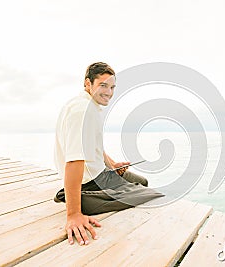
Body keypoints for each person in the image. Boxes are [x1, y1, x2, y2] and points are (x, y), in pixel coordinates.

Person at [53, 62, 163, 246]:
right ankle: (78, 197)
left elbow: (93, 146)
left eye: (112, 87)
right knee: (151, 194)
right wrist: (74, 214)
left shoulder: (88, 105)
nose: (109, 92)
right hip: (90, 181)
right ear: (87, 84)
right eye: (103, 85)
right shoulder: (82, 111)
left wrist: (112, 165)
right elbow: (74, 160)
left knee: (141, 182)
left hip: (101, 173)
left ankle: (86, 193)